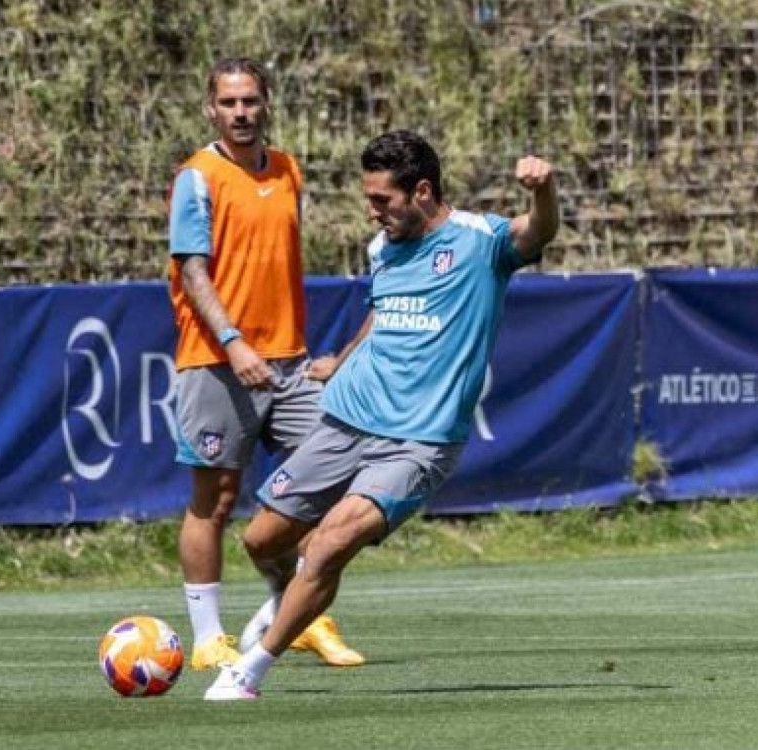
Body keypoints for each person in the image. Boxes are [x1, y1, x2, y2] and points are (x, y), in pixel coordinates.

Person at [204, 130, 560, 700]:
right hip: (345, 420)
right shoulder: (383, 248)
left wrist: (544, 191)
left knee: (326, 546)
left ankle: (248, 672)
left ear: (421, 191)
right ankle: (286, 603)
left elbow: (536, 231)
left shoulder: (478, 241)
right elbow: (382, 313)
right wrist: (341, 362)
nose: (371, 212)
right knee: (262, 540)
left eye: (381, 200)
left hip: (417, 442)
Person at [167, 57, 364, 671]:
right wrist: (233, 341)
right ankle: (206, 638)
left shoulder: (287, 170)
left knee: (330, 491)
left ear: (267, 103)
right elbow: (193, 269)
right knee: (215, 498)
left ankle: (298, 616)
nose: (241, 113)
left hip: (292, 362)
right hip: (217, 359)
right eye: (229, 103)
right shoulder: (197, 178)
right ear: (212, 109)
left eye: (250, 101)